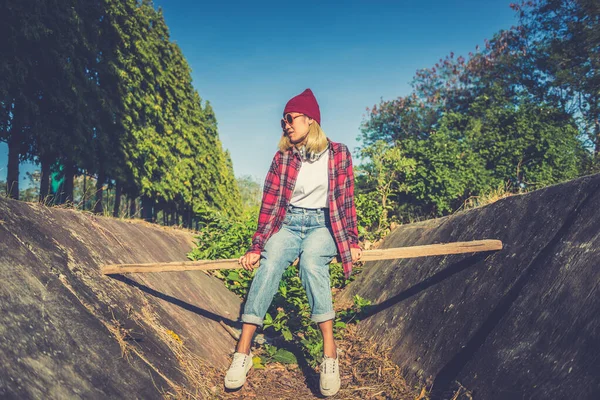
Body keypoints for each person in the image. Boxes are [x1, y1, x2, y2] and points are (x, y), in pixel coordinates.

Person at [224, 88, 362, 397]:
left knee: (312, 262)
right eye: (282, 120)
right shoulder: (282, 157)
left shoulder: (339, 153)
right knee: (269, 263)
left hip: (324, 224)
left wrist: (351, 239)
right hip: (289, 224)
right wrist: (256, 246)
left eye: (290, 118)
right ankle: (242, 352)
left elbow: (346, 200)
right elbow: (269, 205)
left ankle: (330, 353)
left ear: (310, 120)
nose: (286, 124)